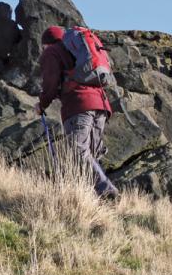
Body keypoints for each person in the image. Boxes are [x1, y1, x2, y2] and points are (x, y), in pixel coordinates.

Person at [35, 25, 119, 198]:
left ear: (47, 43)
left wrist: (42, 104)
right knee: (91, 154)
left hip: (79, 104)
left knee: (78, 151)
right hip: (101, 105)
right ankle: (93, 199)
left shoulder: (52, 52)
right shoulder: (78, 51)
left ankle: (107, 190)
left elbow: (50, 83)